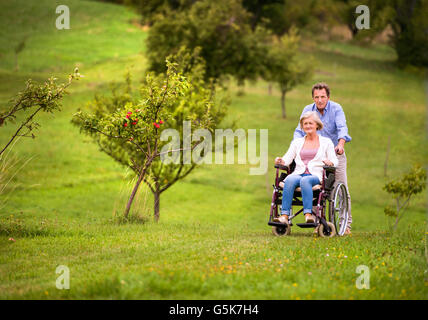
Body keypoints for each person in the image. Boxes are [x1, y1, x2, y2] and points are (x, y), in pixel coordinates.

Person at [294, 82, 352, 234]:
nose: (319, 100)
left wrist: (341, 144)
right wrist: (295, 148)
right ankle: (316, 222)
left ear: (328, 97)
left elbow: (342, 128)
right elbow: (299, 131)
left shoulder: (336, 109)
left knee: (341, 187)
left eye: (323, 97)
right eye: (316, 97)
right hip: (314, 156)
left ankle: (346, 225)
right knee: (314, 187)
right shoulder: (308, 110)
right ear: (313, 98)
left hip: (334, 152)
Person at [274, 111, 338, 224]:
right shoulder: (297, 142)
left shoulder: (326, 142)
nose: (308, 126)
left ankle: (308, 215)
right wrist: (280, 161)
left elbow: (335, 161)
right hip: (298, 174)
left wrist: (330, 162)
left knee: (305, 180)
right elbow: (287, 159)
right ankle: (284, 216)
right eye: (305, 124)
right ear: (302, 127)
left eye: (310, 123)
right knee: (289, 179)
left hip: (315, 176)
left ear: (317, 125)